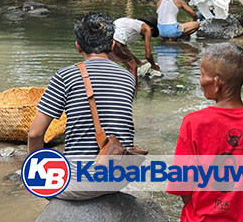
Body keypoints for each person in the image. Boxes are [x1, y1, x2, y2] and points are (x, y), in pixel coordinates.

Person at [167, 43, 243, 221]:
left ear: (216, 83)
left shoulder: (193, 123)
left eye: (202, 74)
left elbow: (182, 187)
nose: (200, 81)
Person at [28, 12, 136, 200]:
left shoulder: (65, 76)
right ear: (112, 46)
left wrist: (36, 173)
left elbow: (35, 134)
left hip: (80, 183)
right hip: (119, 178)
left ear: (78, 46)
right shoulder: (128, 78)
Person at [109, 16, 160, 84]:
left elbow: (125, 50)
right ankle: (134, 88)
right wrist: (154, 66)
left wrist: (139, 62)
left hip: (108, 38)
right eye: (151, 34)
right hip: (116, 40)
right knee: (133, 67)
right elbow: (148, 55)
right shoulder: (147, 29)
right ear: (151, 28)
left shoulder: (134, 25)